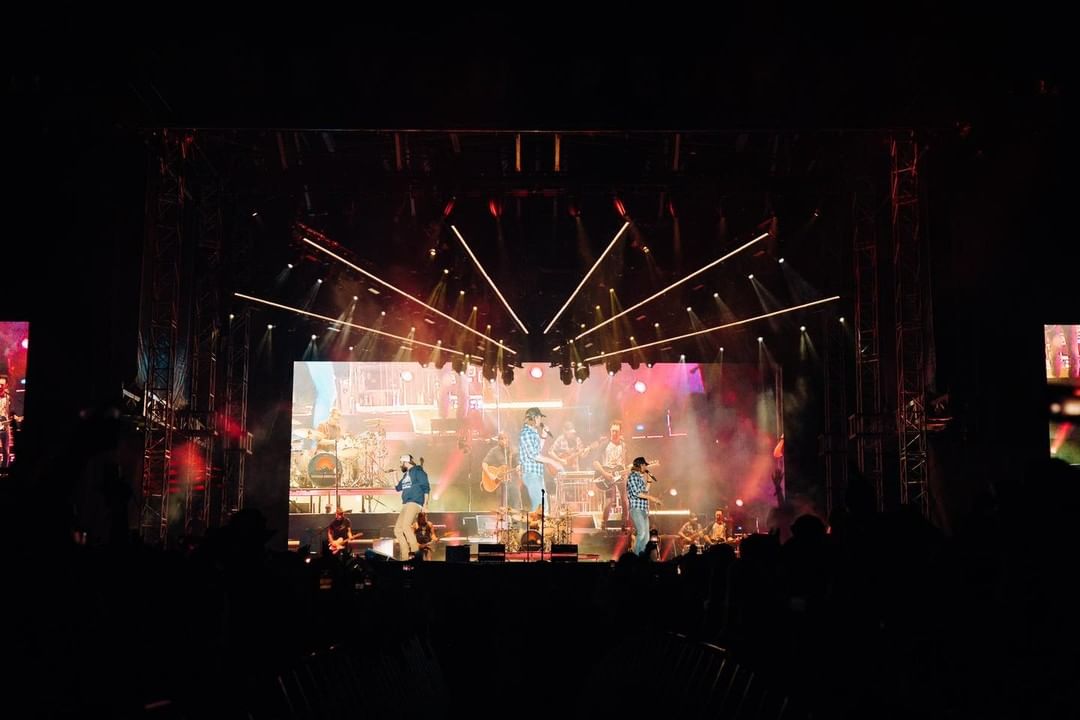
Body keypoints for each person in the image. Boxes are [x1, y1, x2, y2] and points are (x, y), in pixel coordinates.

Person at [518, 407, 563, 514]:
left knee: (543, 506)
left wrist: (543, 436)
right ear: (533, 418)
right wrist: (553, 462)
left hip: (537, 473)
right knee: (539, 507)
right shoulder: (526, 433)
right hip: (531, 473)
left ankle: (540, 524)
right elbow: (534, 455)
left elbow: (538, 450)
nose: (540, 420)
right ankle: (536, 525)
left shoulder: (533, 432)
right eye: (538, 417)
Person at [393, 454, 430, 560]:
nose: (401, 465)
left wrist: (425, 504)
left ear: (406, 462)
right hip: (406, 503)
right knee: (397, 530)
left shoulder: (418, 472)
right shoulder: (406, 475)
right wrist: (394, 474)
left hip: (415, 502)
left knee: (406, 526)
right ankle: (405, 556)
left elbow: (426, 488)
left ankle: (416, 554)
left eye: (401, 463)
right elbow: (398, 488)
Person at [593, 421, 628, 530]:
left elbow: (627, 460)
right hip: (608, 475)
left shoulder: (624, 445)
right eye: (613, 431)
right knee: (610, 500)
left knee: (624, 499)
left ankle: (624, 524)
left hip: (620, 474)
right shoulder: (605, 444)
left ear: (621, 432)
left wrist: (627, 470)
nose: (614, 433)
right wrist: (605, 474)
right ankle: (604, 524)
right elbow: (595, 462)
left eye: (616, 431)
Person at [626, 457, 662, 556]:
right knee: (641, 533)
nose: (646, 467)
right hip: (636, 509)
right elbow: (637, 493)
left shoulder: (640, 478)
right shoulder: (632, 476)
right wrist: (652, 498)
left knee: (646, 537)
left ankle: (642, 557)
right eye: (645, 465)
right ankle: (636, 557)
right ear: (641, 465)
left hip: (643, 509)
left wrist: (649, 481)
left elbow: (644, 491)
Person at [481, 431, 522, 509]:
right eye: (501, 439)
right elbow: (484, 463)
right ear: (498, 440)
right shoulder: (494, 451)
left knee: (516, 506)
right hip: (501, 484)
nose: (503, 441)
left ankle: (516, 516)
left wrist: (518, 467)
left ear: (508, 439)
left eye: (505, 438)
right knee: (502, 507)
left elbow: (517, 462)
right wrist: (490, 474)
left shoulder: (513, 450)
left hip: (513, 482)